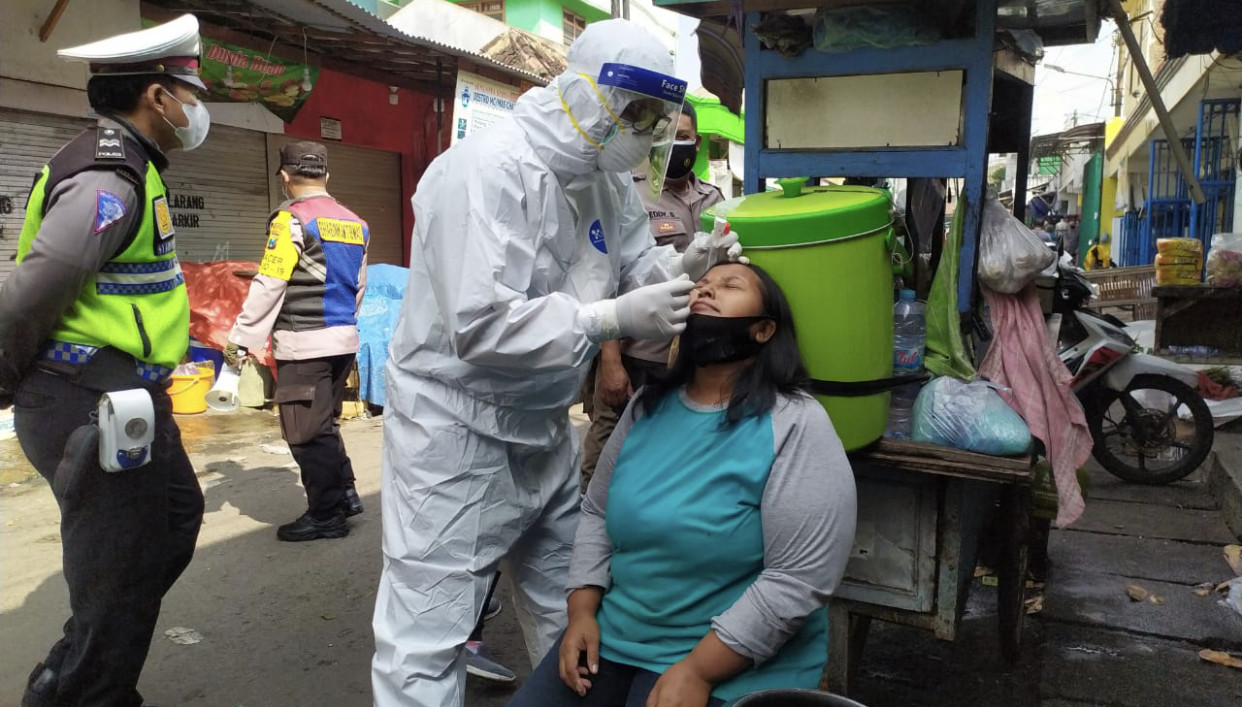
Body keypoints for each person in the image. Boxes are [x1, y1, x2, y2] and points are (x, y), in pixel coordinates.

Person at [372, 19, 742, 707]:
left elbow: (634, 265)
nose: (648, 129)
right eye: (637, 112)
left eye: (657, 117)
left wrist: (682, 265)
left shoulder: (601, 176)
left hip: (542, 425)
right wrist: (609, 321)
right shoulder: (486, 170)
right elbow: (479, 324)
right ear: (580, 93)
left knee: (569, 612)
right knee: (427, 631)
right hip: (454, 431)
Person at [508, 262, 858, 707]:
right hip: (618, 640)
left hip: (726, 659)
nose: (705, 292)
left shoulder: (794, 424)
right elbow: (597, 512)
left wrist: (698, 671)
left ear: (764, 330)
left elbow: (798, 578)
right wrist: (581, 612)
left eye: (729, 286)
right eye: (701, 285)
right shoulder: (644, 408)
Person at [0, 15, 208, 706]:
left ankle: (81, 664)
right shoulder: (109, 177)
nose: (194, 108)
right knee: (117, 567)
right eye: (189, 91)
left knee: (172, 524)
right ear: (156, 95)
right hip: (86, 394)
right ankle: (82, 690)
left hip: (129, 394)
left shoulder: (131, 164)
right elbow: (36, 284)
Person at [225, 141, 368, 542]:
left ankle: (326, 516)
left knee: (305, 432)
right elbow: (359, 285)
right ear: (327, 176)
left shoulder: (290, 220)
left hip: (303, 343)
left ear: (285, 177)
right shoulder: (355, 222)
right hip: (343, 340)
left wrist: (241, 337)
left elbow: (271, 281)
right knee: (323, 424)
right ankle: (346, 495)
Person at [580, 102, 725, 491]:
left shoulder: (713, 198)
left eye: (686, 137)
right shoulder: (629, 190)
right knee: (608, 453)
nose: (679, 145)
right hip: (633, 352)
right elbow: (608, 279)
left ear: (698, 142)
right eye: (670, 136)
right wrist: (610, 362)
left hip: (686, 356)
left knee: (667, 456)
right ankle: (590, 525)